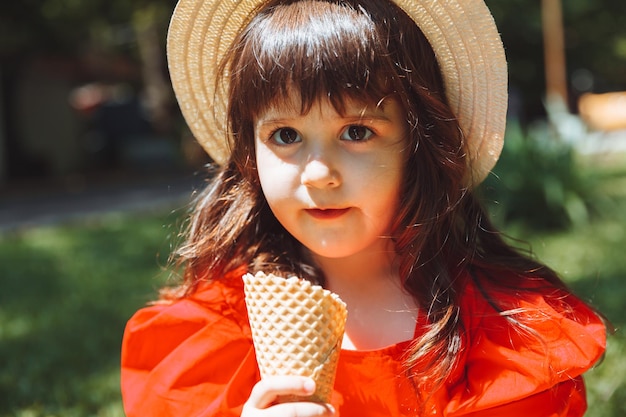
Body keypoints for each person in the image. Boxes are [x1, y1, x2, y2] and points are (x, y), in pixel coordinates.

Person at [120, 0, 607, 415]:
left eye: (356, 132)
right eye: (285, 135)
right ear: (250, 153)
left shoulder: (502, 335)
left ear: (420, 144)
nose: (318, 173)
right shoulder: (213, 335)